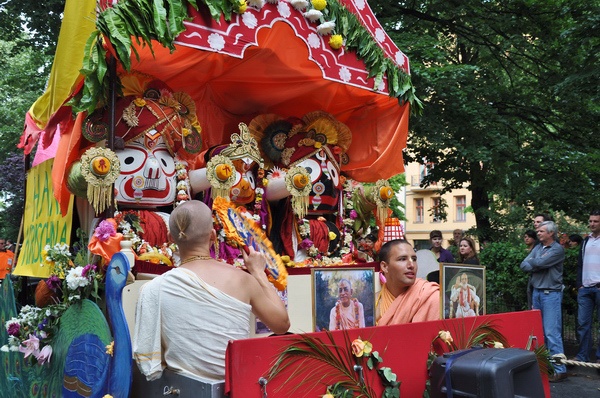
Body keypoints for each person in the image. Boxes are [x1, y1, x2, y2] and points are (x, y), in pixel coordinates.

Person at [133, 200, 290, 382]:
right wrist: (258, 273)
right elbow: (282, 324)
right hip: (234, 389)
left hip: (183, 390)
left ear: (170, 238)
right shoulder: (242, 280)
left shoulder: (156, 288)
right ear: (213, 235)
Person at [520, 221, 567, 382]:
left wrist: (536, 263)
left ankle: (560, 370)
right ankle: (544, 367)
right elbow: (523, 264)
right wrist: (537, 263)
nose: (538, 233)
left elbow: (537, 263)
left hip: (550, 294)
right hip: (537, 294)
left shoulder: (557, 249)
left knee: (551, 332)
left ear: (551, 233)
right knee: (539, 332)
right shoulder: (539, 248)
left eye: (541, 231)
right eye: (537, 231)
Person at [376, 239, 440, 325]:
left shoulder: (430, 297)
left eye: (414, 259)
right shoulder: (373, 303)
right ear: (384, 266)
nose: (411, 265)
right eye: (402, 259)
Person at [574, 210, 600, 364]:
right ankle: (582, 355)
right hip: (585, 289)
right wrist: (580, 285)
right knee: (583, 323)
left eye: (595, 221)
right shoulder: (585, 241)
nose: (592, 224)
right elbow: (580, 264)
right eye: (590, 221)